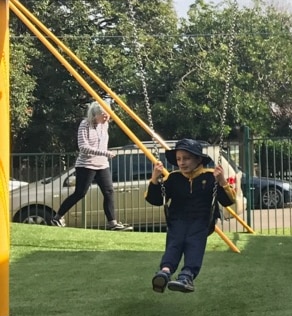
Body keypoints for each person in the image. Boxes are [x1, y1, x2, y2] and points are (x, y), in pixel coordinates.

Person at [146, 139, 235, 294]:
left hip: (202, 221)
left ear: (198, 159)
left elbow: (228, 200)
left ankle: (187, 275)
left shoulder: (210, 177)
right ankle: (165, 272)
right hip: (177, 220)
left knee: (194, 244)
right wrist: (155, 178)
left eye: (186, 158)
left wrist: (221, 181)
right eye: (179, 159)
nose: (182, 163)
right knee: (174, 243)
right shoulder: (173, 178)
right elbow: (155, 200)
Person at [51, 101, 132, 231]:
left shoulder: (104, 125)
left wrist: (104, 155)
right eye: (104, 115)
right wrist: (104, 153)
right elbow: (83, 147)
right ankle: (57, 217)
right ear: (95, 114)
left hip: (102, 164)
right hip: (86, 165)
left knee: (109, 191)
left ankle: (113, 223)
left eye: (108, 115)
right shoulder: (85, 125)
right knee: (80, 193)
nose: (107, 118)